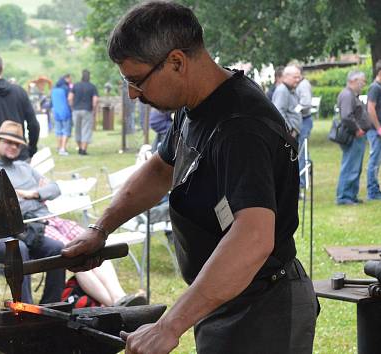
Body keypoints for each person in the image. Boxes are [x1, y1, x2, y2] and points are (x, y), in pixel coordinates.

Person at [61, 2, 318, 353]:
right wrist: (100, 229)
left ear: (177, 62)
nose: (133, 94)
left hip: (263, 307)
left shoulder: (240, 127)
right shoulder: (197, 103)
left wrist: (170, 326)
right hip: (221, 297)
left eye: (136, 81)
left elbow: (253, 238)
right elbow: (161, 169)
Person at [0, 120, 65, 304]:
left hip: (30, 230)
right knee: (18, 249)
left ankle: (53, 307)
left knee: (57, 249)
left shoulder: (25, 168)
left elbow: (55, 188)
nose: (13, 147)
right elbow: (0, 208)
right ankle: (26, 310)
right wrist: (35, 200)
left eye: (17, 144)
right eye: (8, 142)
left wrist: (32, 194)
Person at [335, 70, 370, 205]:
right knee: (350, 166)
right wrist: (357, 130)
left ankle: (351, 195)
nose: (363, 84)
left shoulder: (351, 94)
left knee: (355, 166)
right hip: (353, 136)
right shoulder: (347, 94)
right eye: (362, 81)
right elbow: (346, 116)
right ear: (353, 81)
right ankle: (344, 197)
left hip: (357, 136)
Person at [69, 69, 98, 155]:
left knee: (77, 129)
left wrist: (72, 107)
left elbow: (70, 98)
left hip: (76, 110)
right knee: (86, 129)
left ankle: (79, 148)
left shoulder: (75, 85)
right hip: (87, 110)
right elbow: (95, 100)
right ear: (89, 77)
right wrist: (94, 109)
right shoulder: (92, 86)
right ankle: (83, 150)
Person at [272, 65, 302, 138]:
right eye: (295, 77)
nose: (298, 80)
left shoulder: (289, 89)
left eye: (299, 77)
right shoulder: (282, 90)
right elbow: (278, 112)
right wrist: (290, 130)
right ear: (286, 76)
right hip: (288, 135)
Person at [366, 60, 381, 200]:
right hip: (374, 131)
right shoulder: (375, 87)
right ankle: (372, 192)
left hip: (377, 130)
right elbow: (371, 108)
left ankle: (376, 190)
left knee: (377, 161)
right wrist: (378, 128)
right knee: (374, 161)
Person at [296, 69, 313, 188]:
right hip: (303, 120)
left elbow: (306, 103)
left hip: (304, 120)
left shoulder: (303, 85)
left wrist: (293, 109)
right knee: (301, 151)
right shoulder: (300, 84)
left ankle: (302, 182)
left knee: (302, 151)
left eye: (297, 76)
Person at [52, 74, 72, 155]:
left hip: (56, 112)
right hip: (65, 111)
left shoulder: (54, 89)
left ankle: (59, 147)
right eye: (70, 79)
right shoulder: (66, 88)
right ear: (66, 79)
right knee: (66, 131)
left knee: (58, 131)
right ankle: (63, 149)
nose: (71, 80)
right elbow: (69, 99)